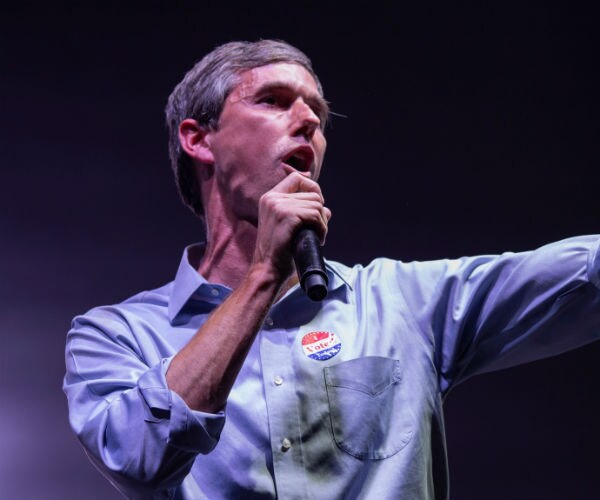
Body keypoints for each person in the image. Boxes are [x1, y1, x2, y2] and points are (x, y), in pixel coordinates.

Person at [63, 39, 600, 500]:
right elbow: (138, 460)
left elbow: (582, 276)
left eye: (316, 112)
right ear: (199, 139)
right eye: (274, 101)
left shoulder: (403, 303)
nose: (309, 121)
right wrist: (263, 277)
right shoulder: (115, 335)